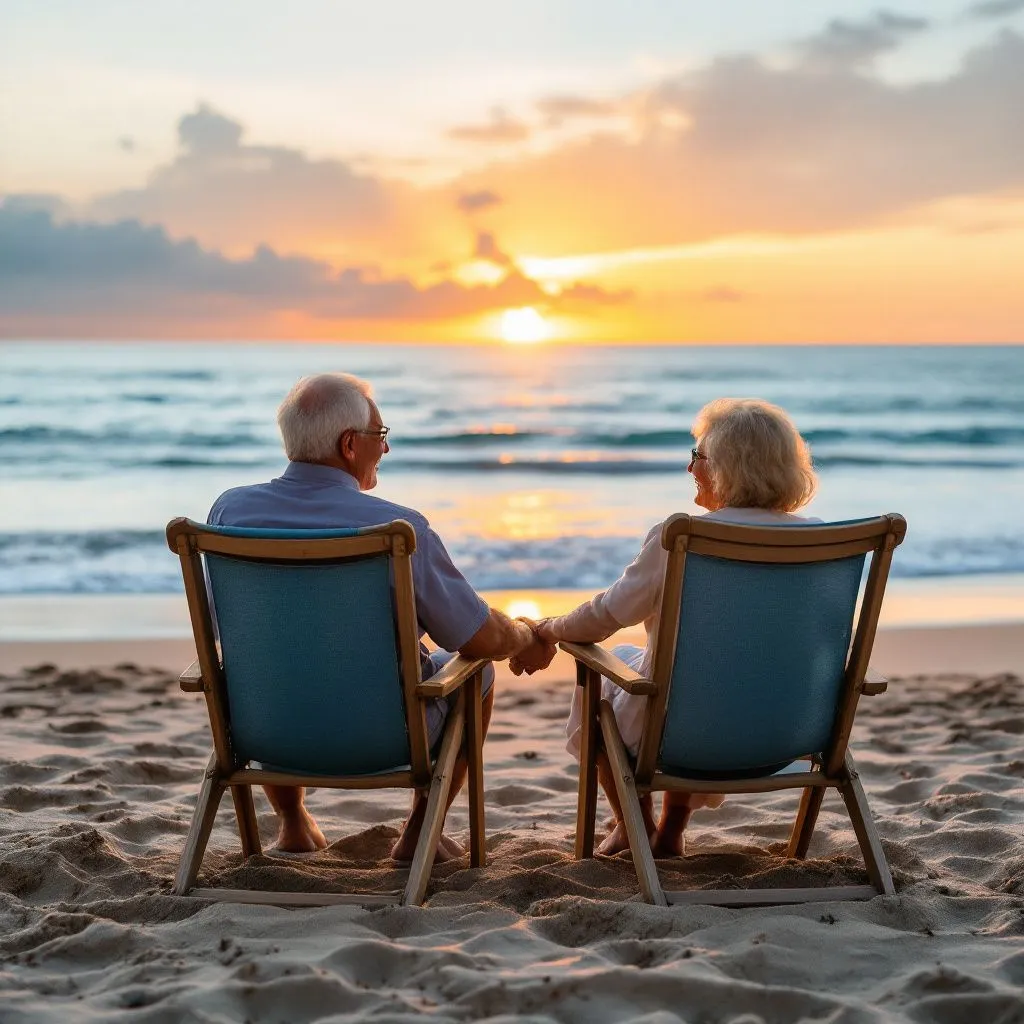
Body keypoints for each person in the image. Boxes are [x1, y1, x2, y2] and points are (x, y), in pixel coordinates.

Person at [209, 372, 556, 860]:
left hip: (262, 731)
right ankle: (419, 832)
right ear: (350, 445)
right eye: (381, 435)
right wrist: (524, 637)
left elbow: (223, 627)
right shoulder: (399, 529)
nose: (386, 448)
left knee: (275, 659)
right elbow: (478, 637)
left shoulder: (230, 513)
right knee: (477, 675)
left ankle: (292, 824)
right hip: (384, 736)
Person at [518, 398, 820, 857]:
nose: (690, 467)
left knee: (607, 678)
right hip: (790, 730)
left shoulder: (679, 537)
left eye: (698, 456)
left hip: (685, 733)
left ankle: (633, 825)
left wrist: (547, 630)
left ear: (726, 466)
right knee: (693, 670)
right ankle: (671, 830)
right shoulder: (817, 539)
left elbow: (604, 617)